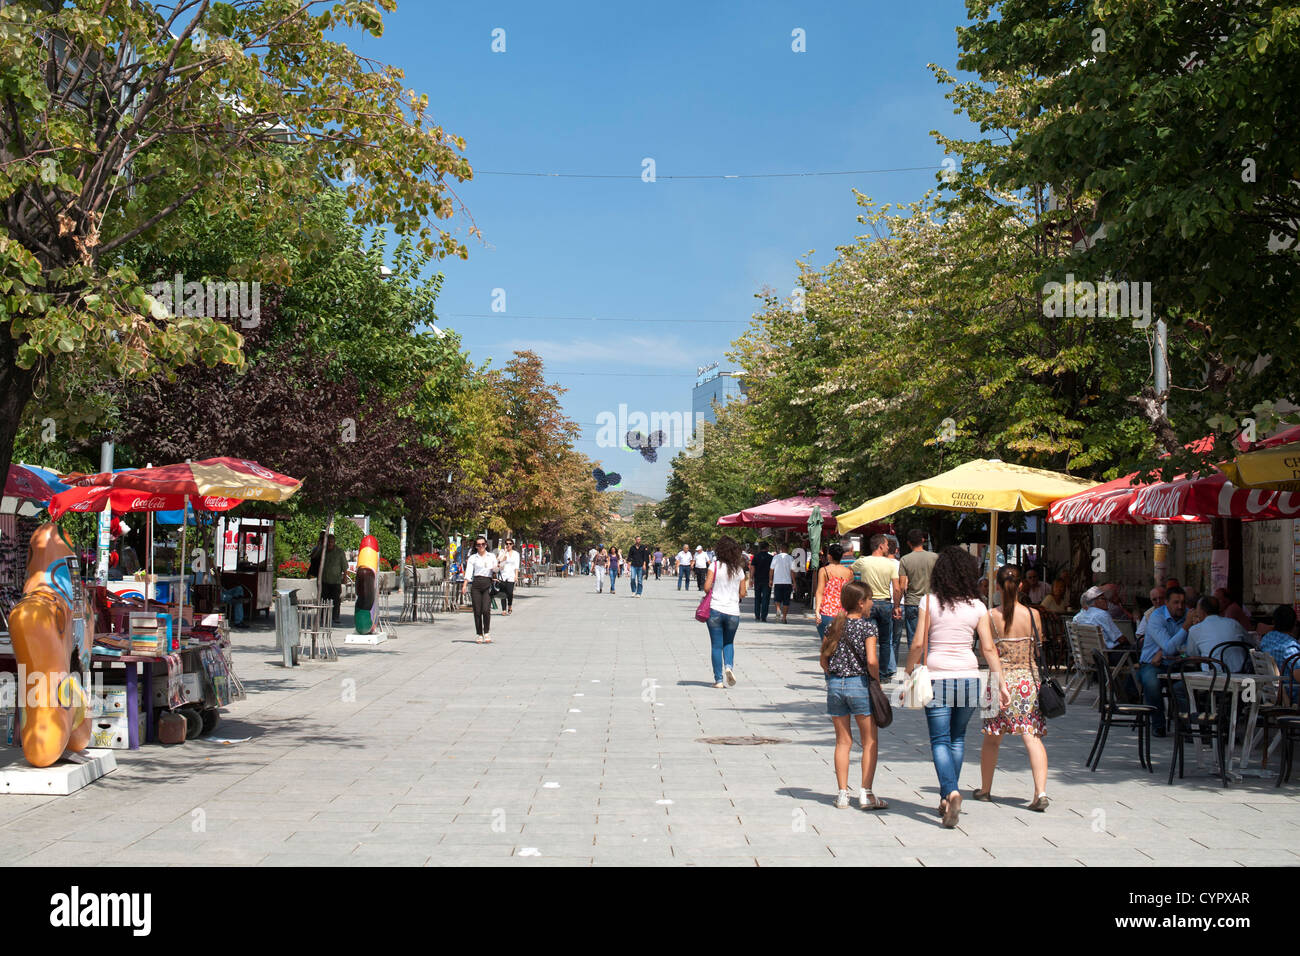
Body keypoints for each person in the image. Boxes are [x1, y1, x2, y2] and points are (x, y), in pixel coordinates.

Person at [904, 546, 1002, 829]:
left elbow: (919, 643)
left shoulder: (929, 602)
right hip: (970, 678)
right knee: (958, 739)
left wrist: (909, 671)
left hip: (938, 677)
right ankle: (948, 796)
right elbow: (988, 648)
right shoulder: (979, 606)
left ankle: (951, 791)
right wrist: (1000, 682)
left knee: (939, 740)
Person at [977, 566, 1050, 811]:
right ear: (1020, 586)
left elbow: (986, 651)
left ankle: (985, 789)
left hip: (1000, 680)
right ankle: (1040, 792)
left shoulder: (989, 616)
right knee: (1032, 737)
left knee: (992, 739)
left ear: (997, 586)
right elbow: (1039, 649)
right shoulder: (1033, 615)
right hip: (1028, 680)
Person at [820, 581, 886, 810]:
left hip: (836, 686)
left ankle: (842, 794)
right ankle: (866, 794)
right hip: (859, 684)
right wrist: (876, 680)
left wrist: (834, 676)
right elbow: (871, 661)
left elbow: (823, 659)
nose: (872, 603)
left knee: (843, 741)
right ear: (861, 603)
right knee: (869, 741)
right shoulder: (868, 628)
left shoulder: (834, 626)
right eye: (870, 599)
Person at [1139, 584, 1191, 736]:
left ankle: (1187, 726)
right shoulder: (1157, 617)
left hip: (1178, 663)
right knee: (1152, 681)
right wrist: (1185, 628)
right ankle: (1158, 725)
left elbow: (1191, 648)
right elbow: (1169, 647)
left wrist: (1177, 654)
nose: (1180, 606)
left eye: (1182, 602)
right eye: (1176, 602)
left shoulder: (1187, 614)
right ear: (1167, 603)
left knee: (1185, 684)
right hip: (1153, 664)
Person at [852, 534, 902, 683]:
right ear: (880, 546)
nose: (888, 548)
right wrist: (897, 606)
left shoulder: (863, 561)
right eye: (886, 545)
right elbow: (897, 588)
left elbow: (850, 571)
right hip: (886, 603)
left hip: (867, 603)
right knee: (886, 640)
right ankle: (883, 673)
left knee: (867, 638)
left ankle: (867, 670)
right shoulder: (891, 564)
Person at [704, 536, 749, 689]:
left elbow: (706, 587)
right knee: (728, 642)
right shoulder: (739, 570)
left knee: (716, 645)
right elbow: (743, 593)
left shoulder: (714, 566)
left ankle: (718, 680)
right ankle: (728, 666)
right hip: (733, 612)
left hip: (715, 609)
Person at [898, 529, 938, 664]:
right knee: (931, 637)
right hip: (931, 602)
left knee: (913, 638)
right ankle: (929, 665)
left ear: (909, 543)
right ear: (923, 540)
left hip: (912, 602)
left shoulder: (905, 559)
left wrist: (898, 604)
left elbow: (902, 585)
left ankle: (915, 667)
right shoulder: (934, 558)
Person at [1186, 596, 1250, 671]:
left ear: (1202, 612)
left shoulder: (1195, 629)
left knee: (1178, 683)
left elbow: (1193, 655)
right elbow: (1250, 644)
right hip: (1240, 674)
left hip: (1213, 678)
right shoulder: (1234, 623)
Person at [461, 537, 498, 643]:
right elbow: (468, 572)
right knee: (477, 611)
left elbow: (496, 569)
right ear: (476, 546)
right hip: (476, 584)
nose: (481, 546)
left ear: (486, 545)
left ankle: (486, 632)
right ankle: (479, 634)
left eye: (482, 544)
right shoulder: (473, 558)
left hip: (487, 583)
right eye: (478, 545)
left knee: (486, 610)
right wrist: (464, 585)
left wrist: (496, 568)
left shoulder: (491, 556)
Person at [1259, 605, 1300, 703]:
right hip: (1290, 695)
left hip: (1270, 692)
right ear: (1294, 624)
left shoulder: (1266, 639)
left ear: (1274, 622)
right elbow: (1298, 675)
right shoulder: (1289, 646)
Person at [814, 544, 855, 639]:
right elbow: (851, 594)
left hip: (827, 611)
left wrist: (817, 611)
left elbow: (819, 592)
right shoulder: (849, 572)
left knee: (827, 645)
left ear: (829, 556)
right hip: (843, 613)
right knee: (841, 644)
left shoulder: (824, 570)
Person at [1072, 585, 1127, 652]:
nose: (1106, 601)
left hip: (1087, 656)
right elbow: (1120, 639)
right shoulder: (1102, 614)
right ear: (1094, 601)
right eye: (1103, 598)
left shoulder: (1077, 617)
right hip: (1108, 656)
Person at [318, 534, 348, 626]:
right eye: (328, 542)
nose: (330, 544)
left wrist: (345, 577)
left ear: (334, 542)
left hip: (335, 581)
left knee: (336, 600)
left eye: (331, 542)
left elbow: (344, 567)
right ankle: (323, 616)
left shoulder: (339, 552)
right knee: (324, 599)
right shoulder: (323, 551)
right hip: (325, 580)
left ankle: (336, 617)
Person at [771, 541, 794, 624]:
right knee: (786, 601)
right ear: (787, 549)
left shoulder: (776, 557)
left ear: (781, 549)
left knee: (777, 598)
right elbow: (792, 571)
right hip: (787, 582)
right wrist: (794, 582)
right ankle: (784, 618)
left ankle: (778, 609)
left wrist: (770, 579)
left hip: (777, 581)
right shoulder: (790, 558)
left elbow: (771, 569)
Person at [750, 541, 773, 623]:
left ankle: (757, 615)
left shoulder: (756, 557)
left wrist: (751, 579)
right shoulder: (771, 557)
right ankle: (763, 616)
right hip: (767, 580)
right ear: (767, 548)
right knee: (765, 598)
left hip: (757, 580)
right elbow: (772, 570)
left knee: (757, 598)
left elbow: (752, 568)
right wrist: (771, 579)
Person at [496, 539, 520, 616]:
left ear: (512, 545)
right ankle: (503, 609)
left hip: (511, 575)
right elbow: (498, 560)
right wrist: (505, 552)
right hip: (503, 575)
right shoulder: (502, 552)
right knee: (503, 592)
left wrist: (516, 575)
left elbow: (517, 565)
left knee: (509, 592)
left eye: (510, 544)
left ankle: (509, 605)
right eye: (506, 544)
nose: (508, 545)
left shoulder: (516, 554)